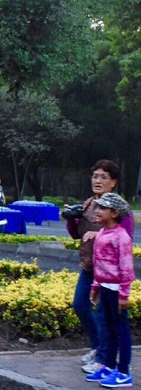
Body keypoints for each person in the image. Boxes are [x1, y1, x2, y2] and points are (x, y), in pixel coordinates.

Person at [65, 159, 134, 374]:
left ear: (113, 182)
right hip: (89, 267)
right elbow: (76, 234)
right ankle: (98, 349)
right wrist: (70, 218)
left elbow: (126, 237)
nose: (98, 180)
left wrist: (99, 233)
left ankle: (109, 359)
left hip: (110, 273)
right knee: (80, 305)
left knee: (109, 318)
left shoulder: (119, 207)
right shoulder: (88, 204)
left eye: (104, 177)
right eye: (95, 176)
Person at [83, 192, 135, 388]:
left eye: (102, 208)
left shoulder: (121, 237)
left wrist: (124, 294)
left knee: (120, 330)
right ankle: (109, 366)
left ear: (114, 213)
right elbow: (99, 264)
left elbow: (126, 267)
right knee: (107, 329)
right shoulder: (103, 233)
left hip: (116, 290)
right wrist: (96, 286)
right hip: (104, 288)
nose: (97, 211)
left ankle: (123, 372)